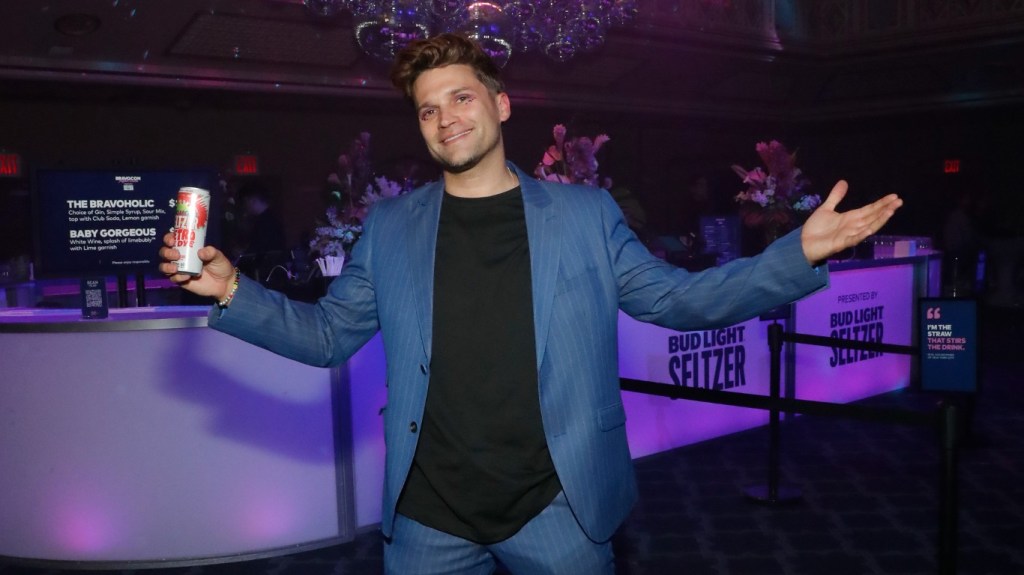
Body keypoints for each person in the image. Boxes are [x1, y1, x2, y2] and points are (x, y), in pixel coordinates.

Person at [159, 33, 902, 575]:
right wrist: (231, 290)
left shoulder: (583, 213)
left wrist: (794, 253)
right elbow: (326, 335)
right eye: (426, 109)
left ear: (501, 104)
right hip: (427, 515)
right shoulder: (390, 226)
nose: (445, 117)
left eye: (460, 96)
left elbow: (678, 300)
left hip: (560, 505)